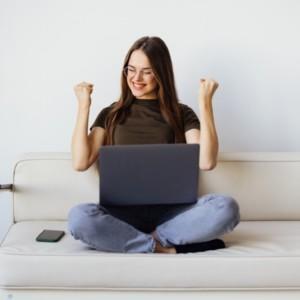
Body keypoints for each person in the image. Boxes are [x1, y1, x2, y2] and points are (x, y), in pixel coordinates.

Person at [68, 36, 240, 254]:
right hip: (121, 215)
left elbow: (206, 161)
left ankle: (143, 241)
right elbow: (80, 162)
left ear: (161, 73)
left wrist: (205, 104)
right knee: (79, 218)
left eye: (146, 71)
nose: (136, 78)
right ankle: (162, 248)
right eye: (131, 69)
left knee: (226, 208)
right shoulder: (110, 114)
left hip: (173, 214)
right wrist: (84, 106)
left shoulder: (182, 113)